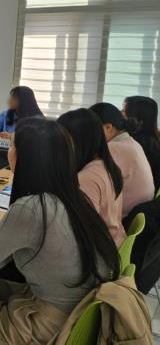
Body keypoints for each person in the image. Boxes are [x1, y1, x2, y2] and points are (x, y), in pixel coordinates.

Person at [0, 118, 120, 345]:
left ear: (25, 157)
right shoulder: (75, 197)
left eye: (12, 146)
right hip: (74, 308)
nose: (9, 152)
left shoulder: (32, 208)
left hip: (51, 324)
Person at [57, 108, 126, 247]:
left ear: (78, 141)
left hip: (98, 250)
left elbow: (79, 229)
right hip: (114, 239)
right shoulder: (105, 165)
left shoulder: (88, 178)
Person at [90, 102, 154, 217]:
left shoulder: (114, 148)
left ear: (108, 127)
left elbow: (90, 174)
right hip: (139, 212)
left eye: (90, 130)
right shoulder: (130, 142)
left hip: (124, 216)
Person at [123, 96, 160, 192]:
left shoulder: (138, 144)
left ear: (138, 119)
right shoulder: (153, 140)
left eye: (124, 112)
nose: (120, 114)